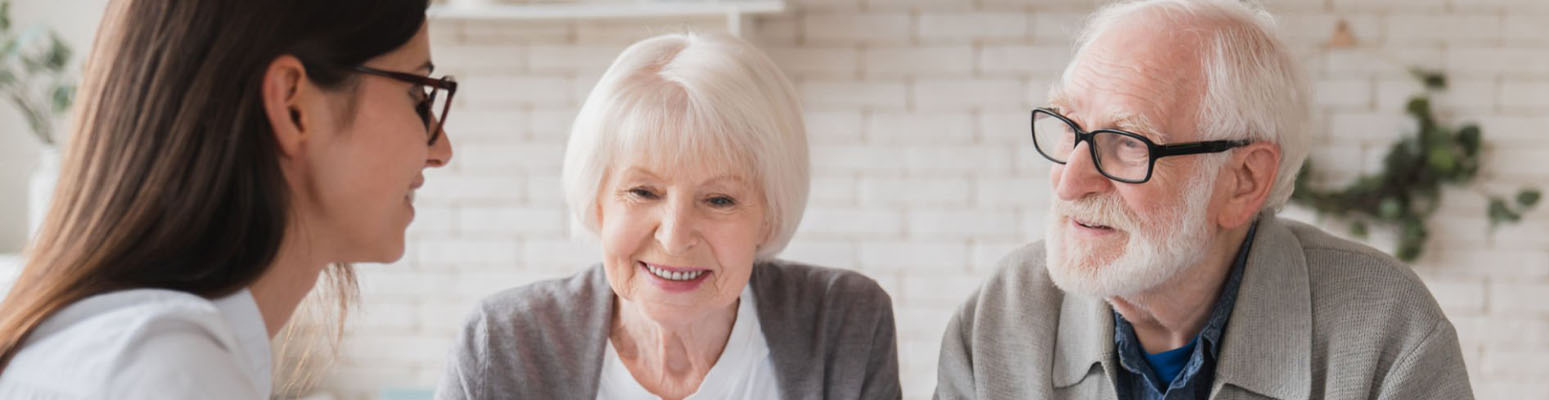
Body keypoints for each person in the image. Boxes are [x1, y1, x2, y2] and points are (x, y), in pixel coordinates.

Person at [934, 0, 1473, 399]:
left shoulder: (1384, 327)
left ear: (1243, 180)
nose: (1068, 182)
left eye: (1126, 143)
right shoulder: (1002, 314)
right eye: (1068, 127)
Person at [0, 0, 456, 397]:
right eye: (417, 92)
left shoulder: (102, 345)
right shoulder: (168, 372)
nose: (441, 149)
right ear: (293, 106)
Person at [434, 32, 900, 400]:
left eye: (719, 200)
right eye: (642, 191)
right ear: (599, 201)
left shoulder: (844, 322)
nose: (675, 238)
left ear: (769, 216)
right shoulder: (501, 343)